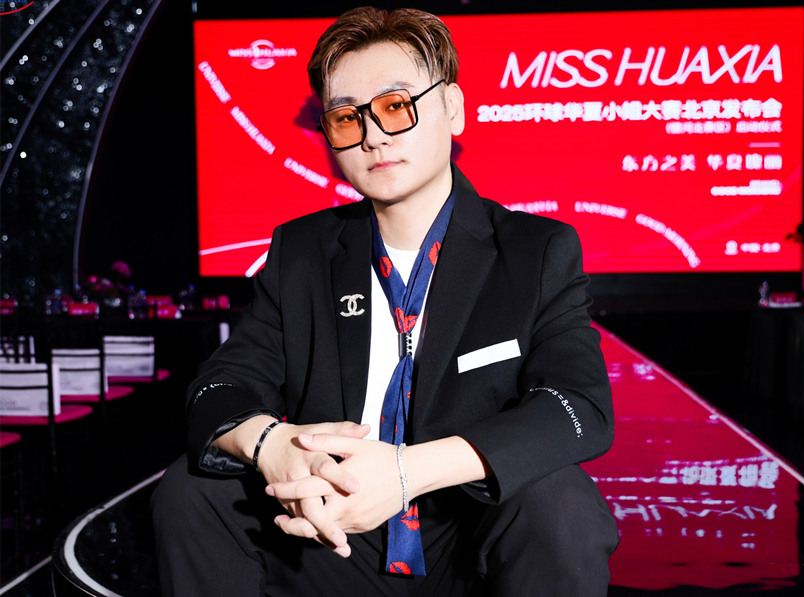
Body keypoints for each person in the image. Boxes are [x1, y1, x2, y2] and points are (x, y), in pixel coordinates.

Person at [152, 7, 618, 596]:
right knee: (190, 491)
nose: (373, 135)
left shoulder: (535, 250)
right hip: (326, 533)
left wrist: (404, 473)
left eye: (396, 106)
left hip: (463, 533)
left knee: (559, 501)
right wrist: (273, 446)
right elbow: (220, 387)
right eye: (347, 117)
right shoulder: (301, 252)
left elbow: (577, 406)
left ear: (452, 108)